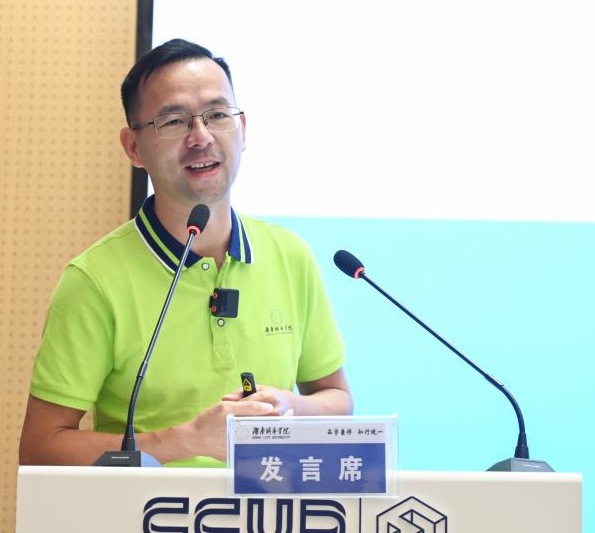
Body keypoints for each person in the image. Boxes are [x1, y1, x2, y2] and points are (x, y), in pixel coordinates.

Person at [19, 39, 352, 468]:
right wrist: (184, 440)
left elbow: (336, 398)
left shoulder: (291, 256)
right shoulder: (94, 280)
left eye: (217, 115)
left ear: (243, 129)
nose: (201, 137)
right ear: (133, 148)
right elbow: (41, 449)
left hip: (270, 507)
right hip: (148, 511)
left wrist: (291, 407)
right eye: (174, 121)